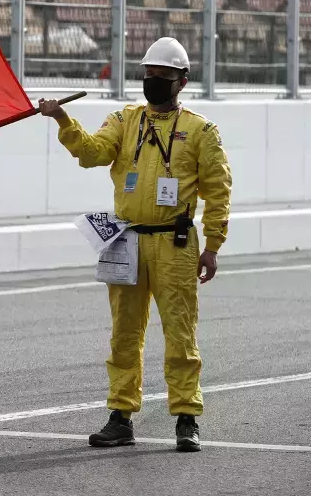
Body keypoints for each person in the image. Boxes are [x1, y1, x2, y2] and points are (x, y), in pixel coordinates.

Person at [38, 37, 232, 452]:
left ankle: (186, 419)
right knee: (124, 334)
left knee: (180, 334)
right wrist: (63, 121)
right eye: (149, 74)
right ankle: (120, 416)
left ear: (183, 81)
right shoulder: (124, 120)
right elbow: (91, 154)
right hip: (125, 240)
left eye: (163, 76)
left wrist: (212, 245)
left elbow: (218, 192)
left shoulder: (202, 131)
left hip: (175, 244)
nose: (154, 81)